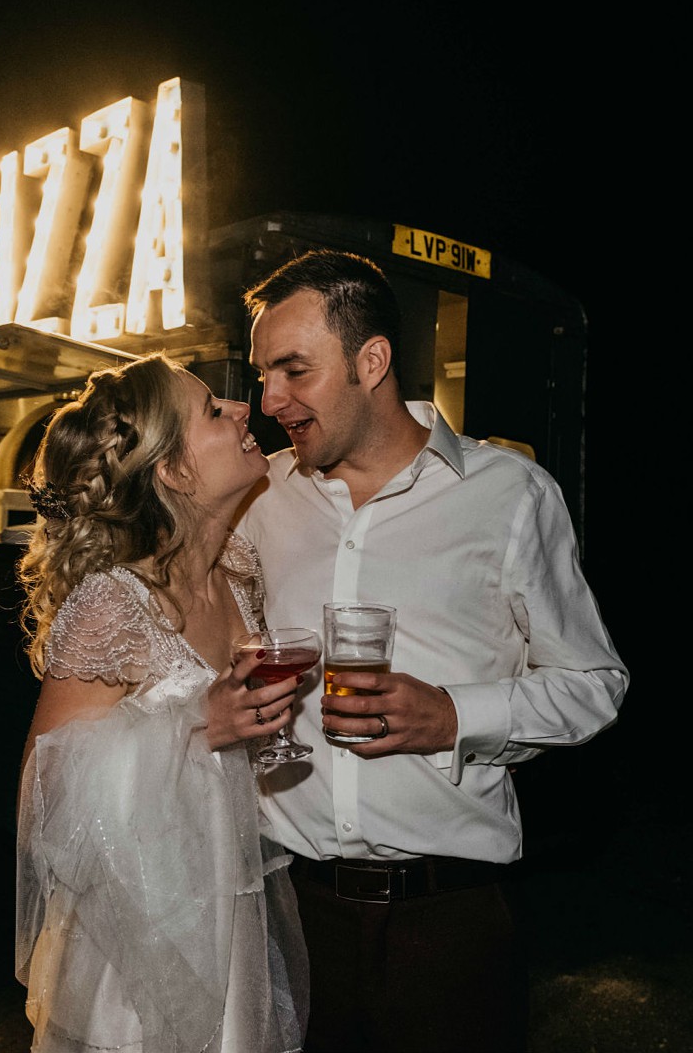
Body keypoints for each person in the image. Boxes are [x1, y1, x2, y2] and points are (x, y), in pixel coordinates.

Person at [236, 250, 631, 1052]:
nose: (269, 399)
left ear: (370, 360)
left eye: (293, 370)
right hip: (289, 911)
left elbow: (596, 683)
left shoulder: (509, 495)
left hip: (449, 921)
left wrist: (457, 714)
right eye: (262, 373)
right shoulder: (259, 495)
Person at [13, 353, 309, 1053]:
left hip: (233, 912)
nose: (244, 410)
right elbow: (43, 793)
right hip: (145, 943)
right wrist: (195, 727)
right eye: (214, 409)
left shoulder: (239, 576)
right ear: (173, 471)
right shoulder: (111, 603)